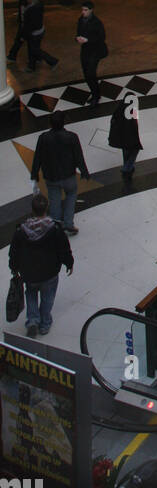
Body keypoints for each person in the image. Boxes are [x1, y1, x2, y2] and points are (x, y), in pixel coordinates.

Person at [9, 193, 74, 338]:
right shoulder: (55, 229)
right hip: (49, 272)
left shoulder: (21, 231)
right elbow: (64, 249)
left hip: (29, 273)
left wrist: (14, 267)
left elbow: (14, 252)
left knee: (31, 294)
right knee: (48, 297)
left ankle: (32, 321)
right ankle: (44, 324)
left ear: (32, 210)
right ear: (47, 209)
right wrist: (69, 263)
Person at [30, 111, 90, 234]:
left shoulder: (43, 138)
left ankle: (56, 225)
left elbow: (38, 157)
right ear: (64, 122)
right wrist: (84, 171)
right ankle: (68, 223)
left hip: (51, 177)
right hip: (69, 176)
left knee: (54, 200)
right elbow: (78, 156)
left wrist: (34, 174)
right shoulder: (72, 137)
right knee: (71, 195)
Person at [75, 0, 107, 105]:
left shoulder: (97, 22)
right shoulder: (81, 20)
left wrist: (88, 40)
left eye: (85, 10)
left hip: (95, 51)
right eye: (82, 10)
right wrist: (78, 38)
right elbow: (78, 32)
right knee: (86, 73)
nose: (83, 12)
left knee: (91, 74)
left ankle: (96, 95)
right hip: (85, 50)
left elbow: (101, 37)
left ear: (91, 10)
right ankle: (94, 93)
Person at [21, 0, 58, 71]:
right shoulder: (39, 5)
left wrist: (24, 35)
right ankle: (32, 64)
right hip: (40, 31)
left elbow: (29, 25)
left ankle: (52, 61)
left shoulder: (31, 10)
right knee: (34, 48)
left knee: (34, 50)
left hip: (34, 33)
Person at [108, 95, 143, 185]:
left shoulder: (119, 108)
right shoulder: (133, 109)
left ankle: (128, 167)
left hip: (122, 137)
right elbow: (135, 122)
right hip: (130, 136)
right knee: (134, 150)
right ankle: (126, 169)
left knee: (126, 152)